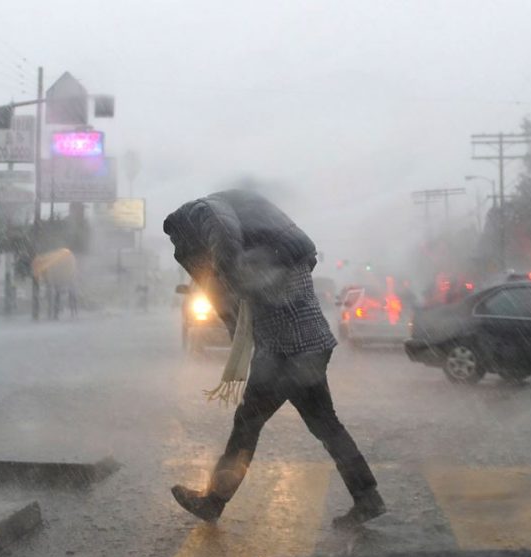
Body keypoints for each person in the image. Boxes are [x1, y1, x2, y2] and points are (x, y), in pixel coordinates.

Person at [162, 189, 386, 528]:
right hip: (312, 343)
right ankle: (367, 496)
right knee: (326, 426)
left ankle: (214, 501)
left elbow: (223, 245)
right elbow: (304, 259)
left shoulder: (202, 212)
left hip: (284, 350)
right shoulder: (275, 235)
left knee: (247, 426)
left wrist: (234, 280)